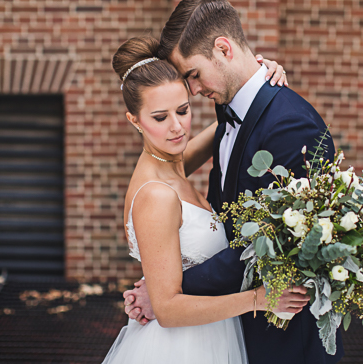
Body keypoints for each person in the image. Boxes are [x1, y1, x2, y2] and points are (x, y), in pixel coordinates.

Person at [123, 0, 344, 364]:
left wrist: (166, 292)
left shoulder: (289, 126)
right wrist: (165, 293)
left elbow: (273, 245)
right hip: (224, 330)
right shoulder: (228, 107)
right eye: (162, 115)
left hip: (285, 341)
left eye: (192, 76)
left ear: (223, 48)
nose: (193, 92)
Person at [101, 35, 308, 364]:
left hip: (210, 334)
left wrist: (260, 77)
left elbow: (238, 120)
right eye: (159, 117)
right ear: (134, 120)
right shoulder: (156, 194)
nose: (177, 128)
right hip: (178, 346)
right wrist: (257, 299)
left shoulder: (174, 162)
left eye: (183, 110)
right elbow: (167, 309)